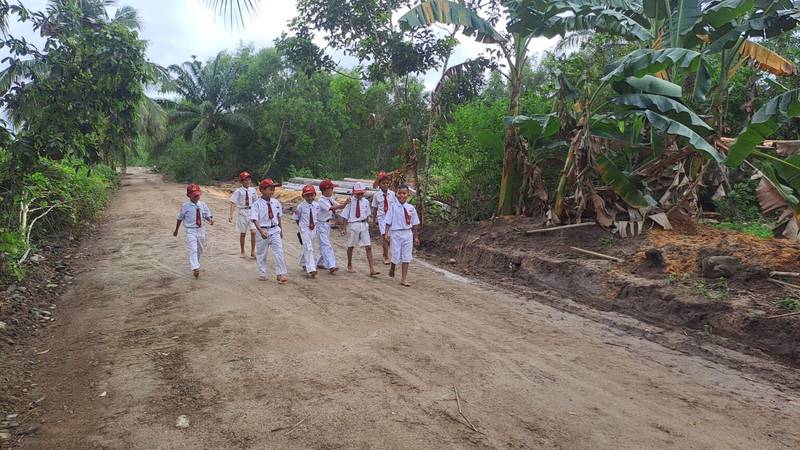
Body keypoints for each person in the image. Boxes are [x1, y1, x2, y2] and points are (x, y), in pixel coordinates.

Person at [250, 178, 288, 284]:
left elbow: (278, 217)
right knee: (262, 253)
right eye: (269, 189)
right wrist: (261, 231)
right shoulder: (256, 204)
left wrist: (281, 230)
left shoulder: (276, 202)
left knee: (279, 251)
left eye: (273, 189)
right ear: (261, 190)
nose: (272, 191)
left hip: (274, 229)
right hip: (263, 230)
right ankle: (262, 272)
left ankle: (280, 274)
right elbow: (254, 219)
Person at [173, 183, 214, 278]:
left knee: (200, 249)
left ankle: (196, 263)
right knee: (193, 249)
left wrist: (210, 220)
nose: (197, 197)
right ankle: (195, 268)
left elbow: (206, 215)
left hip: (201, 229)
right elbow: (180, 218)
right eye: (194, 195)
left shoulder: (202, 204)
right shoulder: (185, 206)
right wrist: (176, 230)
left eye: (198, 195)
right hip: (191, 230)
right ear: (188, 195)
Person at [383, 184, 420, 287]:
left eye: (404, 193)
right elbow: (388, 221)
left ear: (408, 195)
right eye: (399, 193)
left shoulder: (411, 208)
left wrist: (415, 236)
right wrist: (386, 233)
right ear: (396, 194)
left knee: (406, 257)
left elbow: (415, 223)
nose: (401, 195)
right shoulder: (393, 207)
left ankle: (403, 279)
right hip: (396, 233)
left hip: (407, 233)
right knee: (395, 254)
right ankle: (393, 267)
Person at [340, 182, 379, 276]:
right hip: (353, 225)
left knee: (368, 246)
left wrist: (369, 224)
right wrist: (344, 228)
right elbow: (345, 215)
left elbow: (367, 214)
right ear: (354, 192)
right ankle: (349, 264)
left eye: (361, 193)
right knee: (351, 246)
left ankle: (372, 268)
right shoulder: (350, 201)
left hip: (363, 224)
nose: (360, 195)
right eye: (358, 194)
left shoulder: (365, 202)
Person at [316, 179, 348, 274]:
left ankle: (320, 262)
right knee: (326, 244)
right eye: (331, 189)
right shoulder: (321, 200)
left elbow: (338, 205)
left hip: (327, 224)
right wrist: (343, 205)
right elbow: (332, 208)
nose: (332, 191)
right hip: (321, 224)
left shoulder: (330, 199)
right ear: (325, 190)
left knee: (324, 244)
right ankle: (331, 265)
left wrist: (344, 204)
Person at [292, 184, 321, 278]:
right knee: (309, 247)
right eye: (307, 195)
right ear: (303, 196)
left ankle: (303, 262)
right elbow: (296, 218)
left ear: (314, 195)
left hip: (313, 228)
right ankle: (311, 269)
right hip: (304, 228)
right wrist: (301, 228)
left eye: (311, 195)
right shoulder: (300, 206)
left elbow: (317, 217)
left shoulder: (317, 205)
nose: (309, 197)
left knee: (309, 246)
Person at [228, 171, 257, 259]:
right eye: (245, 180)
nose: (248, 182)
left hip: (251, 211)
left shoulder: (253, 190)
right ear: (241, 181)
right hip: (242, 212)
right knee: (243, 233)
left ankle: (252, 251)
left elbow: (256, 202)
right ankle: (242, 251)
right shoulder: (238, 191)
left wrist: (258, 213)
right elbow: (233, 203)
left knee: (253, 231)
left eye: (249, 180)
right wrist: (231, 214)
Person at [371, 171, 396, 265]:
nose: (385, 185)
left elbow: (396, 207)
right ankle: (385, 256)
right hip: (382, 218)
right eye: (383, 183)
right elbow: (375, 209)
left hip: (391, 218)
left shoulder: (393, 195)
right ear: (379, 185)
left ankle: (390, 253)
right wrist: (373, 221)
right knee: (385, 237)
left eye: (387, 183)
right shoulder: (376, 195)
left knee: (390, 237)